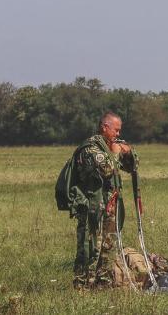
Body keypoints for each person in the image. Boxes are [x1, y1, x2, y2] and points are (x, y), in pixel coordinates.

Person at [70, 112, 138, 289]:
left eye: (119, 131)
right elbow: (106, 170)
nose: (118, 134)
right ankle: (82, 286)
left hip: (110, 207)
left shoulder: (110, 147)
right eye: (115, 130)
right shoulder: (90, 149)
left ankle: (103, 285)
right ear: (104, 127)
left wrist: (129, 153)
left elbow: (131, 168)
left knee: (108, 249)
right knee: (90, 249)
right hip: (92, 208)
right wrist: (115, 154)